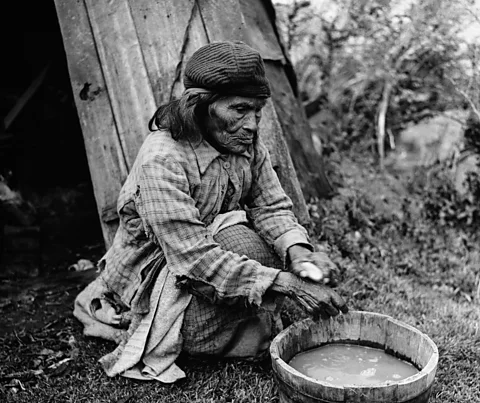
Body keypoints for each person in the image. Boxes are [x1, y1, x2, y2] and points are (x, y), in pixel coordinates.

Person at [74, 41, 348, 383]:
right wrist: (289, 285)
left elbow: (270, 204)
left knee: (265, 255)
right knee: (246, 276)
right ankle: (206, 334)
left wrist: (300, 252)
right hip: (163, 268)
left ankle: (248, 319)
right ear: (200, 105)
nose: (251, 124)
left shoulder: (245, 141)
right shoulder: (163, 158)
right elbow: (194, 260)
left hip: (204, 247)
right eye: (239, 109)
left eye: (258, 110)